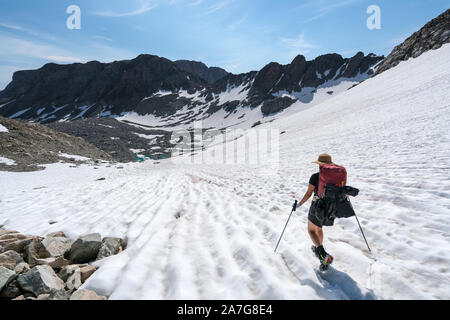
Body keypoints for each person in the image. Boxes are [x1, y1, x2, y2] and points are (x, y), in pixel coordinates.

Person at [298, 154, 334, 267]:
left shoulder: (315, 176)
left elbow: (309, 193)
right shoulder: (335, 177)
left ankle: (322, 254)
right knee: (318, 229)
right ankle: (319, 249)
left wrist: (299, 204)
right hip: (330, 208)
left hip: (317, 206)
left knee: (311, 230)